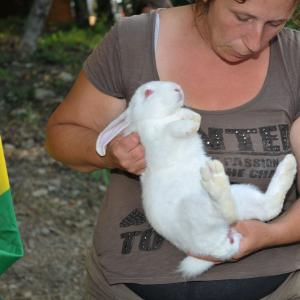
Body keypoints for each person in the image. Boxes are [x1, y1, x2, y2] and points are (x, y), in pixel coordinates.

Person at [45, 0, 300, 299]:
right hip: (125, 289)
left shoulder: (294, 58)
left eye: (275, 23)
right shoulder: (132, 42)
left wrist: (268, 235)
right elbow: (61, 137)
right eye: (242, 17)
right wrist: (108, 152)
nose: (254, 41)